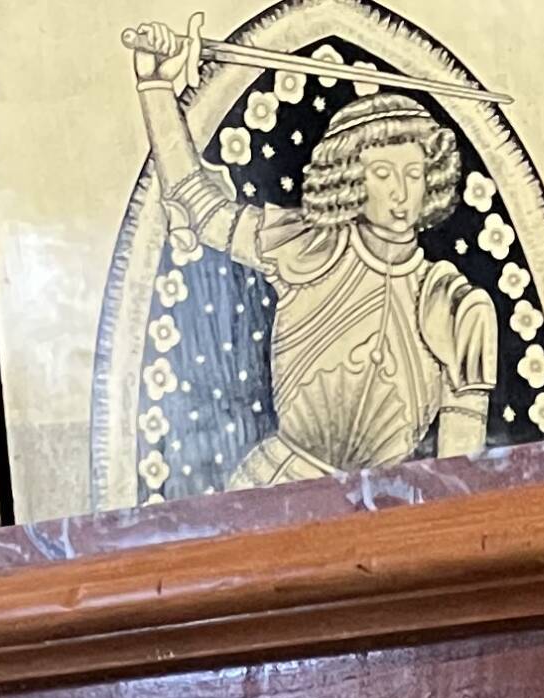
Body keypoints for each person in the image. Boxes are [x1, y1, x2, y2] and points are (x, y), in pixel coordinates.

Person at [123, 19, 498, 486]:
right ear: (350, 176)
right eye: (383, 173)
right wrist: (157, 86)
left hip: (380, 507)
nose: (401, 193)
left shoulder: (453, 302)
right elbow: (197, 203)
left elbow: (460, 477)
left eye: (414, 174)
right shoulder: (308, 244)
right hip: (274, 486)